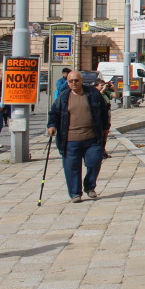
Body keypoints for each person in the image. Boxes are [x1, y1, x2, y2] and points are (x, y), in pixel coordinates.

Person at [47, 70, 110, 203]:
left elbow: (104, 111)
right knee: (72, 167)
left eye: (76, 80)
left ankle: (90, 186)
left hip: (92, 137)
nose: (74, 83)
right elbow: (54, 114)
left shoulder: (93, 94)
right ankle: (75, 193)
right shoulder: (63, 97)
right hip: (70, 140)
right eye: (71, 81)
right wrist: (52, 126)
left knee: (95, 161)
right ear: (68, 82)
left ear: (81, 81)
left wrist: (105, 128)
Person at [94, 79, 115, 159]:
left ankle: (103, 150)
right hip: (99, 117)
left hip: (106, 115)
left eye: (104, 85)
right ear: (96, 86)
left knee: (105, 134)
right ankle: (100, 151)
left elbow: (116, 95)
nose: (103, 87)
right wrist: (102, 90)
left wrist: (114, 89)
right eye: (101, 85)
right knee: (100, 134)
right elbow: (97, 98)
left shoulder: (106, 93)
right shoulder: (95, 93)